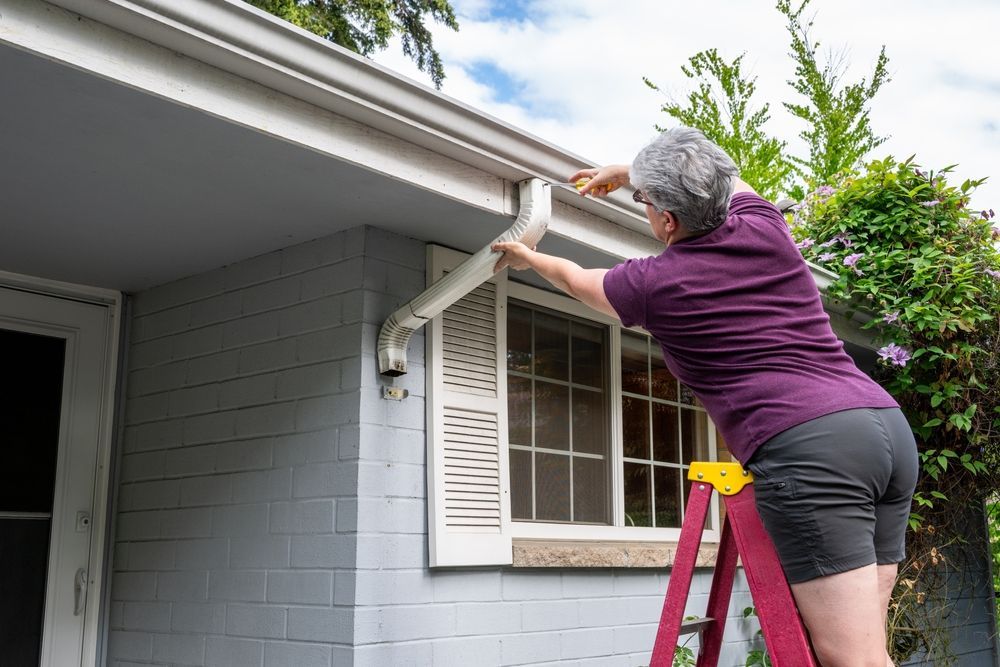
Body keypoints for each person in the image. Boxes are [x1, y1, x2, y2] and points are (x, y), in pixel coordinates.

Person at [492, 127, 918, 667]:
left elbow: (577, 279)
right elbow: (729, 174)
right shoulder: (765, 226)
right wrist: (631, 174)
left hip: (811, 445)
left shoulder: (655, 284)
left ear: (668, 220)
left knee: (849, 659)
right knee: (869, 649)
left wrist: (529, 256)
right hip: (883, 427)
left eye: (646, 202)